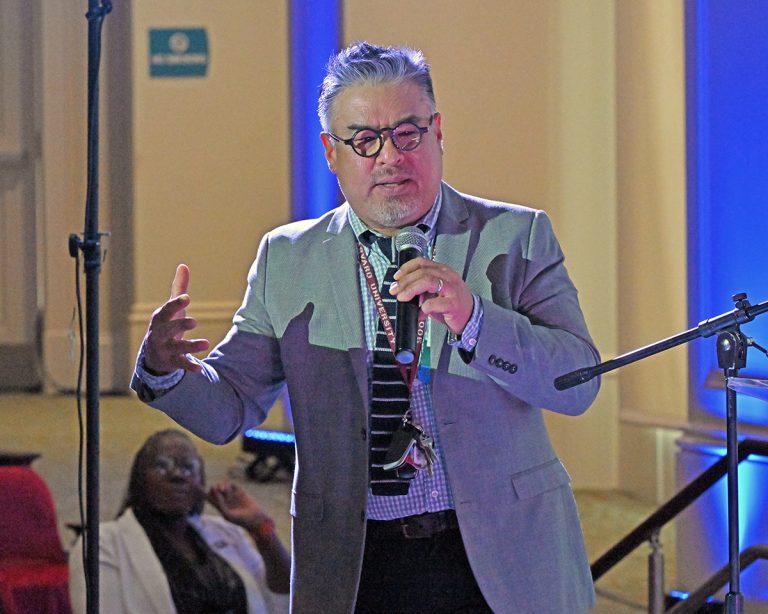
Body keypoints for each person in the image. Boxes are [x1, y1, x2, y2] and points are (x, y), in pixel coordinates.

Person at [131, 42, 601, 613]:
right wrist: (165, 370)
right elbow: (231, 406)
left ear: (438, 132)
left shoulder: (516, 236)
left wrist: (474, 319)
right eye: (364, 141)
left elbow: (578, 382)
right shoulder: (288, 258)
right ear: (331, 153)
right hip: (358, 562)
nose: (390, 157)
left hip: (504, 555)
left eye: (408, 134)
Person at [68, 429, 290, 614]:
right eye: (162, 465)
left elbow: (285, 597)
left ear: (201, 480)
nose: (178, 475)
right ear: (140, 478)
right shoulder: (102, 544)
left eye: (188, 467)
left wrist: (261, 528)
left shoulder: (226, 533)